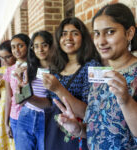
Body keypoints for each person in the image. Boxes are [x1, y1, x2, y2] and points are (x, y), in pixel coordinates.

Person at [54, 3, 137, 149]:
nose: (101, 41)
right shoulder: (100, 73)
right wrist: (79, 129)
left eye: (110, 32)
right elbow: (100, 127)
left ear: (129, 33)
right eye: (97, 33)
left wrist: (126, 101)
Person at [42, 17, 101, 150]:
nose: (68, 38)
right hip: (54, 132)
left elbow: (89, 112)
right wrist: (25, 95)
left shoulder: (91, 67)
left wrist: (58, 89)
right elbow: (49, 102)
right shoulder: (55, 66)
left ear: (83, 38)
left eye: (74, 33)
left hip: (78, 135)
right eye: (64, 34)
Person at [15, 31, 53, 150]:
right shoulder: (29, 68)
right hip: (26, 115)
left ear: (51, 46)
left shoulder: (58, 69)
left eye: (44, 45)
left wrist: (28, 96)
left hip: (46, 118)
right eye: (36, 46)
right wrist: (21, 90)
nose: (40, 49)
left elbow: (50, 104)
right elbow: (20, 102)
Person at [3, 33, 30, 143]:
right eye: (13, 47)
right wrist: (6, 123)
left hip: (33, 115)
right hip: (15, 117)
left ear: (28, 46)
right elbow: (8, 98)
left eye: (20, 45)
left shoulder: (35, 68)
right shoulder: (9, 70)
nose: (16, 50)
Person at [0, 40, 16, 150]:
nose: (4, 61)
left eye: (8, 57)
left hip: (16, 105)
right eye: (1, 58)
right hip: (3, 107)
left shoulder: (19, 68)